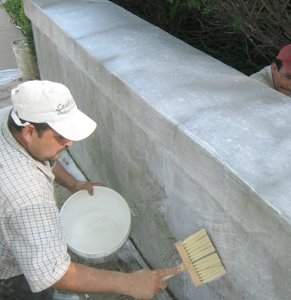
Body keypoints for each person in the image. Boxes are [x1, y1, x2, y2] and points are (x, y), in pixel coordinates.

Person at [0, 80, 179, 299]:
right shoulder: (28, 195)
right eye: (62, 137)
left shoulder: (10, 118)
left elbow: (43, 158)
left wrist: (73, 184)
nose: (70, 143)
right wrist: (129, 282)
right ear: (29, 131)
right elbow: (52, 273)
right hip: (9, 271)